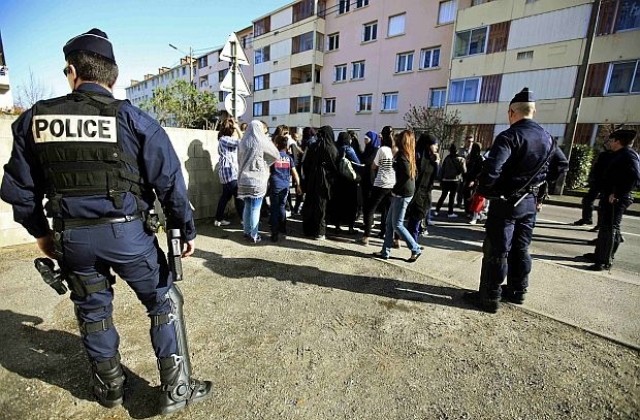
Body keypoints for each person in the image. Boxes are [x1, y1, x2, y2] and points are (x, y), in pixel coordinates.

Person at [0, 28, 211, 414]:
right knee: (163, 301)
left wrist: (42, 236)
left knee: (93, 311)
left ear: (71, 71)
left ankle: (110, 387)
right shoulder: (134, 119)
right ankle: (177, 389)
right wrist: (185, 231)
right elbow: (169, 182)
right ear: (112, 76)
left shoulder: (36, 119)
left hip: (72, 239)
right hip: (129, 233)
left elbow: (18, 190)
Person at [463, 87, 568, 313]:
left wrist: (488, 190)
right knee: (521, 248)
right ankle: (518, 291)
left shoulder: (510, 136)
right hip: (529, 202)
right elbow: (561, 165)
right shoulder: (548, 138)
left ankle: (490, 297)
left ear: (512, 112)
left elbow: (492, 169)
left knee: (498, 250)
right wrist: (538, 185)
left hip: (506, 201)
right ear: (533, 111)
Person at [583, 129, 640, 271]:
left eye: (612, 140)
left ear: (618, 141)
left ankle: (604, 261)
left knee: (610, 229)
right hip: (609, 196)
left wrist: (618, 193)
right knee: (605, 227)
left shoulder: (628, 155)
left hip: (616, 198)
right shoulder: (619, 154)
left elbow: (634, 176)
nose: (610, 143)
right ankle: (599, 255)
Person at [372, 130, 422, 262]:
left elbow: (405, 174)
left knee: (397, 224)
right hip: (405, 192)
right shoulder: (409, 154)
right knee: (389, 223)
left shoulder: (401, 156)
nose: (396, 140)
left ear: (402, 141)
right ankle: (385, 251)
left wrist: (395, 189)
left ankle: (415, 248)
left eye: (398, 138)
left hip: (402, 194)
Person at [237, 120, 280, 243]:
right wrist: (265, 162)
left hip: (244, 179)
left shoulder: (243, 142)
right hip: (257, 180)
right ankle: (254, 235)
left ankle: (246, 231)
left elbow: (238, 161)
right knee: (256, 208)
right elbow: (275, 154)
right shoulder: (261, 142)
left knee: (247, 206)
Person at [356, 126, 395, 245]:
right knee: (389, 211)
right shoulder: (396, 149)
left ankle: (366, 237)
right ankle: (393, 238)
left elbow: (373, 166)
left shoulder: (382, 150)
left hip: (381, 182)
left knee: (369, 209)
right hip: (392, 183)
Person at [301, 126, 339, 239]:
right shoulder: (332, 148)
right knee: (321, 205)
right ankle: (320, 231)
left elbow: (306, 164)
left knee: (310, 203)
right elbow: (334, 167)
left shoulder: (313, 146)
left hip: (312, 179)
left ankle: (308, 229)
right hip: (325, 181)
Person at [407, 133, 439, 240]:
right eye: (434, 144)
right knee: (414, 219)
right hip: (417, 192)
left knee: (416, 219)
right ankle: (413, 245)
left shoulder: (432, 158)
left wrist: (437, 163)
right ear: (428, 145)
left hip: (426, 193)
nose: (436, 147)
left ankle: (412, 242)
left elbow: (436, 176)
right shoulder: (418, 155)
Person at [269, 134, 301, 242]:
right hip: (285, 186)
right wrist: (298, 185)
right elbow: (295, 173)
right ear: (286, 146)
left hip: (275, 185)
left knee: (274, 208)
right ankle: (283, 228)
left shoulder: (273, 157)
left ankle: (274, 233)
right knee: (282, 207)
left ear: (277, 145)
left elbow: (268, 171)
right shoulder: (289, 158)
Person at [572, 143, 613, 228]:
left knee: (603, 204)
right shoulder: (604, 154)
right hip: (598, 181)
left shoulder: (615, 156)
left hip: (606, 182)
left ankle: (600, 224)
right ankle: (587, 218)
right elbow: (597, 168)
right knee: (588, 200)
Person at [214, 118, 244, 226]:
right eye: (233, 128)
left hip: (228, 172)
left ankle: (218, 219)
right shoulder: (224, 139)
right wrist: (237, 128)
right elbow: (242, 142)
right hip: (230, 173)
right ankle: (244, 219)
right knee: (239, 196)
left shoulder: (224, 139)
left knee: (225, 197)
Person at [329, 132, 361, 234]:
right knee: (350, 204)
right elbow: (358, 163)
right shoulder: (348, 149)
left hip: (337, 180)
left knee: (338, 204)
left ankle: (337, 226)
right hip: (349, 181)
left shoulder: (334, 147)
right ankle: (350, 228)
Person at [435, 143, 466, 218]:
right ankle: (450, 212)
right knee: (452, 196)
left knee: (443, 195)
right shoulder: (461, 159)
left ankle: (437, 210)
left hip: (445, 179)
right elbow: (464, 171)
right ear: (457, 150)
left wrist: (441, 179)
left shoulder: (447, 158)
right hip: (455, 180)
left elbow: (443, 169)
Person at [456, 134, 475, 207]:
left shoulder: (473, 151)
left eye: (472, 142)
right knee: (461, 188)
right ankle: (459, 202)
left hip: (470, 172)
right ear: (465, 141)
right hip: (462, 172)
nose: (470, 143)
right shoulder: (461, 150)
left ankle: (466, 203)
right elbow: (458, 160)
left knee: (468, 189)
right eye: (469, 141)